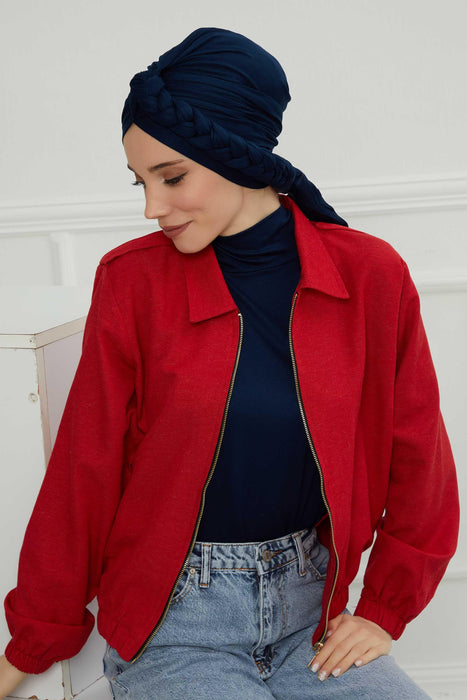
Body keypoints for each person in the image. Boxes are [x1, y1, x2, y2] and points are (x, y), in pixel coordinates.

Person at [0, 27, 459, 700]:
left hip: (312, 621)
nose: (151, 207)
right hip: (175, 622)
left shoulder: (370, 276)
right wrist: (31, 643)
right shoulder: (133, 282)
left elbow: (419, 457)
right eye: (140, 182)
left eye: (171, 177)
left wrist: (383, 609)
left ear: (236, 154)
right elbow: (84, 471)